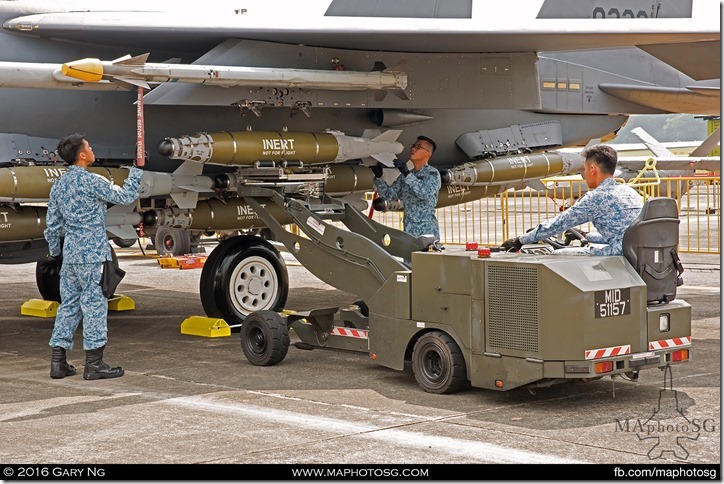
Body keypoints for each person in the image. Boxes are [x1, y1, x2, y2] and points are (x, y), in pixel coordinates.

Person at [45, 133, 144, 380]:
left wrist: (56, 253)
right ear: (81, 155)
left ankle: (58, 362)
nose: (92, 149)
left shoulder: (59, 185)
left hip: (70, 256)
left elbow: (52, 226)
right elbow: (124, 197)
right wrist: (137, 170)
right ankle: (94, 364)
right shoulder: (93, 181)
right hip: (93, 255)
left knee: (68, 306)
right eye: (88, 146)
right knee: (94, 307)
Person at [501, 144, 643, 256]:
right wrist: (586, 235)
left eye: (585, 169)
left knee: (557, 254)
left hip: (619, 252)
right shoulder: (630, 192)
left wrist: (520, 240)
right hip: (638, 251)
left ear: (592, 169)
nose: (585, 174)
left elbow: (559, 224)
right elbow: (621, 235)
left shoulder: (597, 197)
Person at [370, 135, 441, 239]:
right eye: (413, 146)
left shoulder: (432, 174)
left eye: (418, 146)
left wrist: (407, 174)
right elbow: (389, 195)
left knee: (427, 256)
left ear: (428, 153)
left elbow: (424, 193)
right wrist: (379, 177)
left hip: (427, 232)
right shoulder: (405, 176)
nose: (413, 148)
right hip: (409, 231)